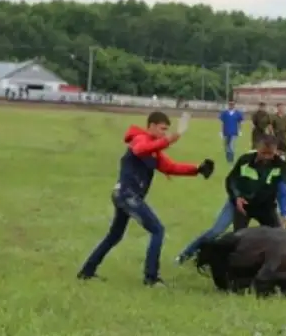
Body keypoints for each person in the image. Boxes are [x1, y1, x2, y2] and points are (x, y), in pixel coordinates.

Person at [77, 111, 215, 286]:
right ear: (151, 126)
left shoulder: (154, 150)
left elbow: (170, 167)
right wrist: (171, 139)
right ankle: (151, 278)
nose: (164, 133)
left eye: (166, 130)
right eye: (162, 129)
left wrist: (197, 169)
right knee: (157, 230)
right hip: (127, 195)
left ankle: (87, 272)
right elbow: (139, 149)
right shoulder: (140, 139)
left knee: (115, 236)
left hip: (125, 195)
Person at [175, 180, 286, 264]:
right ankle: (185, 255)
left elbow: (283, 193)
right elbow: (233, 182)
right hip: (238, 204)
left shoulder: (279, 169)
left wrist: (285, 214)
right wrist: (237, 197)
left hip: (261, 207)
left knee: (278, 235)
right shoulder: (252, 163)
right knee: (217, 231)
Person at [228, 135, 286, 230]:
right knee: (238, 238)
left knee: (278, 236)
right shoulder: (245, 160)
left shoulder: (280, 165)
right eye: (263, 153)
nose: (266, 157)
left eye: (270, 154)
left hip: (266, 207)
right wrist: (237, 196)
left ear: (275, 150)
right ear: (257, 149)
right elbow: (231, 180)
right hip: (244, 206)